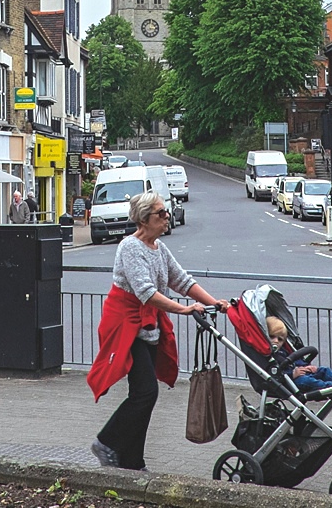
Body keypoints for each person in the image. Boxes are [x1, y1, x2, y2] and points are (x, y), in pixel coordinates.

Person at [86, 191, 230, 471]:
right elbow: (146, 292)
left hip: (148, 326)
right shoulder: (130, 247)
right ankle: (106, 442)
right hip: (126, 326)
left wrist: (215, 303)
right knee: (145, 393)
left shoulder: (159, 248)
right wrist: (184, 309)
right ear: (144, 218)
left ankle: (132, 462)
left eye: (166, 212)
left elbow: (182, 280)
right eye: (160, 213)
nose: (167, 217)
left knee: (143, 395)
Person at [266, 316, 332, 392]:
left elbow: (296, 361)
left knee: (323, 370)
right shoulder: (267, 355)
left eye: (280, 339)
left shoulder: (283, 351)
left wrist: (306, 366)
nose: (276, 341)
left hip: (299, 373)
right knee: (307, 381)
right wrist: (292, 374)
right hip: (288, 381)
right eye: (272, 336)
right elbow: (272, 373)